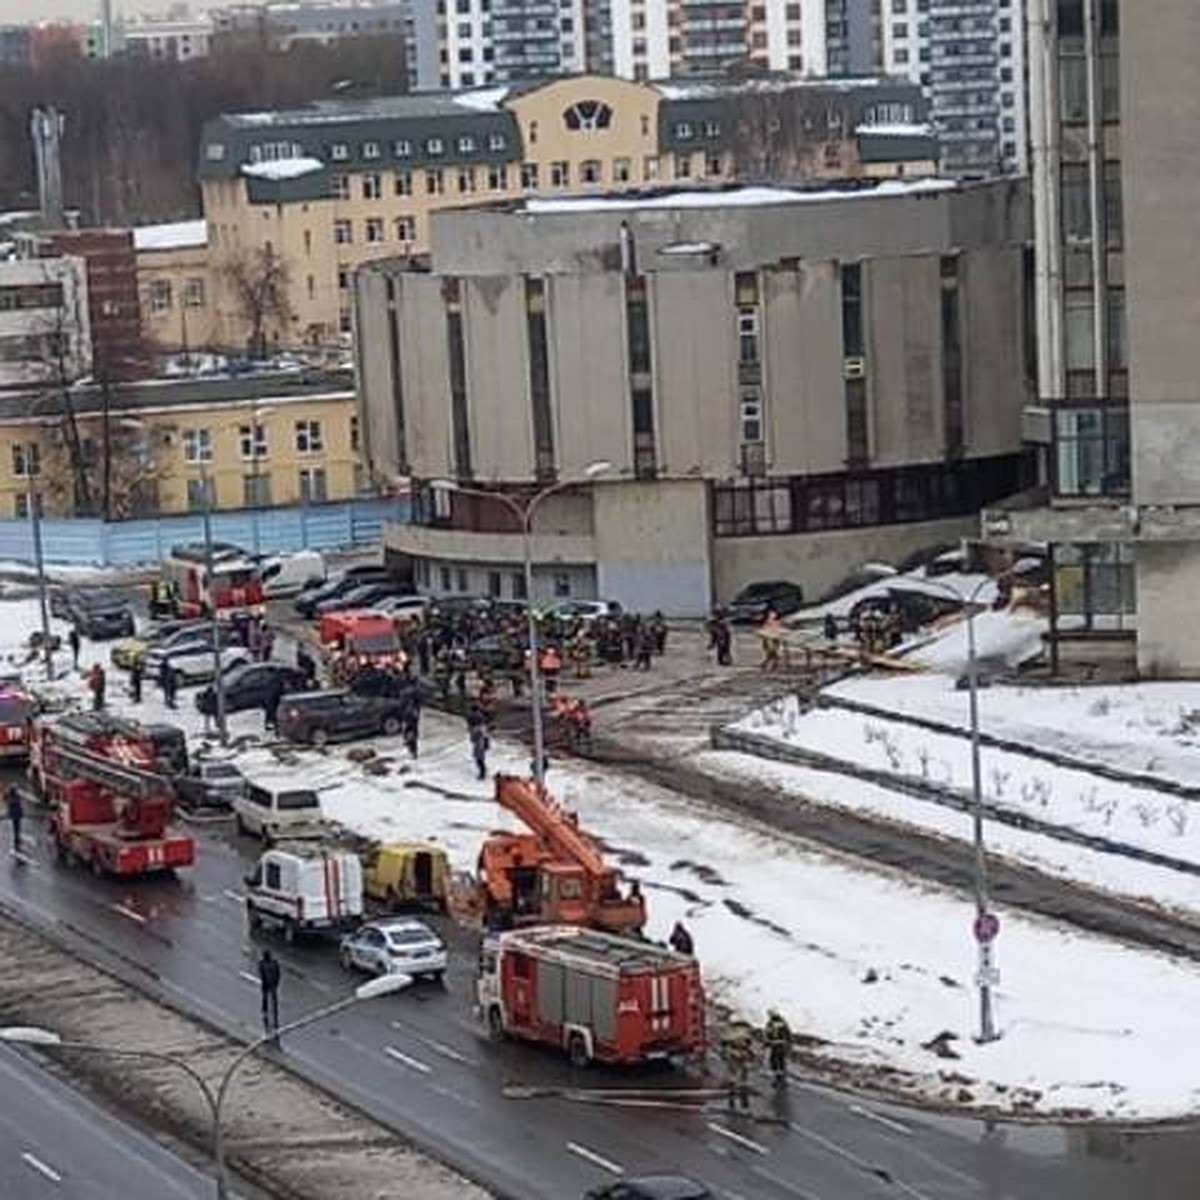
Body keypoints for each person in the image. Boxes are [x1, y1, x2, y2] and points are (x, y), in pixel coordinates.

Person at [258, 949, 282, 1040]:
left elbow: (262, 973)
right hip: (272, 984)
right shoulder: (274, 963)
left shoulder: (262, 963)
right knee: (271, 997)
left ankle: (266, 1010)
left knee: (266, 997)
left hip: (268, 984)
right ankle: (272, 1011)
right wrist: (276, 982)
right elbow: (278, 973)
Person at [764, 1009, 792, 1085]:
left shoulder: (771, 1023)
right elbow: (788, 1033)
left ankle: (777, 1077)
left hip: (775, 1044)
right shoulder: (782, 1022)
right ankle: (782, 1076)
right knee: (781, 1060)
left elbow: (768, 1033)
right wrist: (789, 1043)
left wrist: (766, 1043)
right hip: (782, 1044)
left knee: (774, 1060)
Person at [467, 704, 489, 781]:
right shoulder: (480, 723)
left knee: (479, 759)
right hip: (479, 742)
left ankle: (483, 773)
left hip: (479, 743)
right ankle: (483, 771)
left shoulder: (477, 726)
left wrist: (485, 743)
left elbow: (477, 735)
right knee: (479, 759)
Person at [6, 784, 23, 855]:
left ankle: (17, 839)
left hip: (17, 815)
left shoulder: (14, 797)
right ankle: (17, 841)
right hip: (15, 815)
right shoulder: (13, 798)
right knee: (16, 828)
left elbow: (18, 806)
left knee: (17, 828)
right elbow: (13, 805)